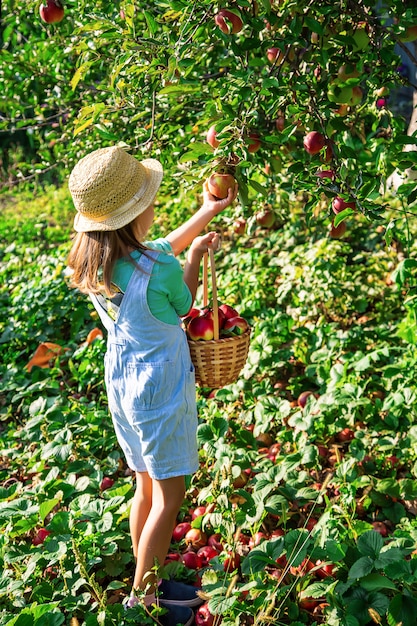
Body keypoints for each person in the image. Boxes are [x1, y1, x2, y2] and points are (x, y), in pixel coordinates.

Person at [67, 146, 238, 626]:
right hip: (160, 389)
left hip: (123, 384)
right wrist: (198, 256)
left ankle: (146, 579)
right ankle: (142, 601)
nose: (156, 206)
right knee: (171, 496)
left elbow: (162, 247)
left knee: (145, 484)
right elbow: (183, 305)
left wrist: (206, 213)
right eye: (151, 200)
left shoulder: (97, 261)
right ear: (136, 212)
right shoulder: (159, 268)